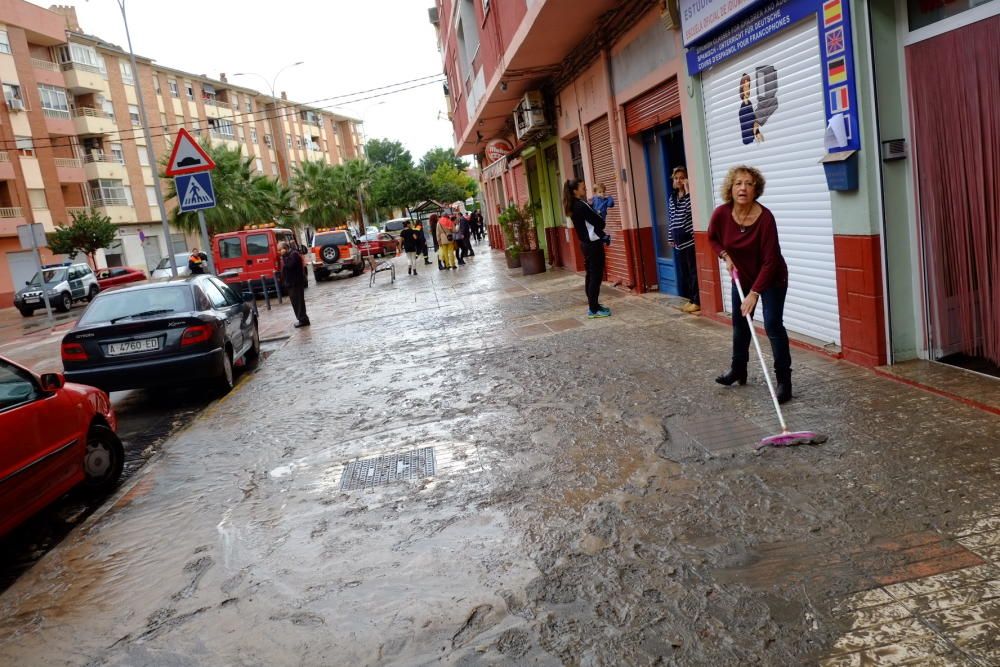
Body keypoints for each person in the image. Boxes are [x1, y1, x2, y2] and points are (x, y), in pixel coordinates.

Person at [707, 165, 792, 403]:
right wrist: (724, 255)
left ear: (756, 189)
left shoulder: (765, 218)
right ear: (731, 188)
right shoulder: (722, 214)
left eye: (749, 184)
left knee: (773, 324)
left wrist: (754, 293)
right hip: (742, 277)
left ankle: (784, 381)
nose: (743, 188)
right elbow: (712, 237)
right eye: (738, 183)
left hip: (772, 278)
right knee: (741, 324)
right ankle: (738, 370)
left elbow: (770, 260)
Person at [564, 178, 611, 318]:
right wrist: (600, 213)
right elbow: (599, 223)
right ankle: (593, 309)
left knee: (590, 275)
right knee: (595, 277)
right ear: (575, 191)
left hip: (586, 245)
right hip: (593, 245)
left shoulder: (575, 205)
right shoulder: (580, 206)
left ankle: (594, 305)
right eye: (583, 188)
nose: (585, 190)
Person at [668, 166, 699, 313]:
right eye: (676, 178)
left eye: (681, 177)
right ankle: (691, 299)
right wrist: (670, 236)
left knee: (693, 272)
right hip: (678, 242)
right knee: (685, 273)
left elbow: (688, 211)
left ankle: (697, 301)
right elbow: (672, 218)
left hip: (689, 241)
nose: (679, 180)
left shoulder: (689, 197)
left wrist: (687, 192)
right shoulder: (672, 198)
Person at [279, 241, 310, 328]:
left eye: (280, 250)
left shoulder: (293, 254)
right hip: (290, 283)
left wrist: (284, 257)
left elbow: (289, 266)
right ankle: (301, 319)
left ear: (285, 248)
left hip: (295, 283)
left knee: (298, 301)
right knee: (295, 302)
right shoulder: (288, 255)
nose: (279, 252)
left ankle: (303, 319)